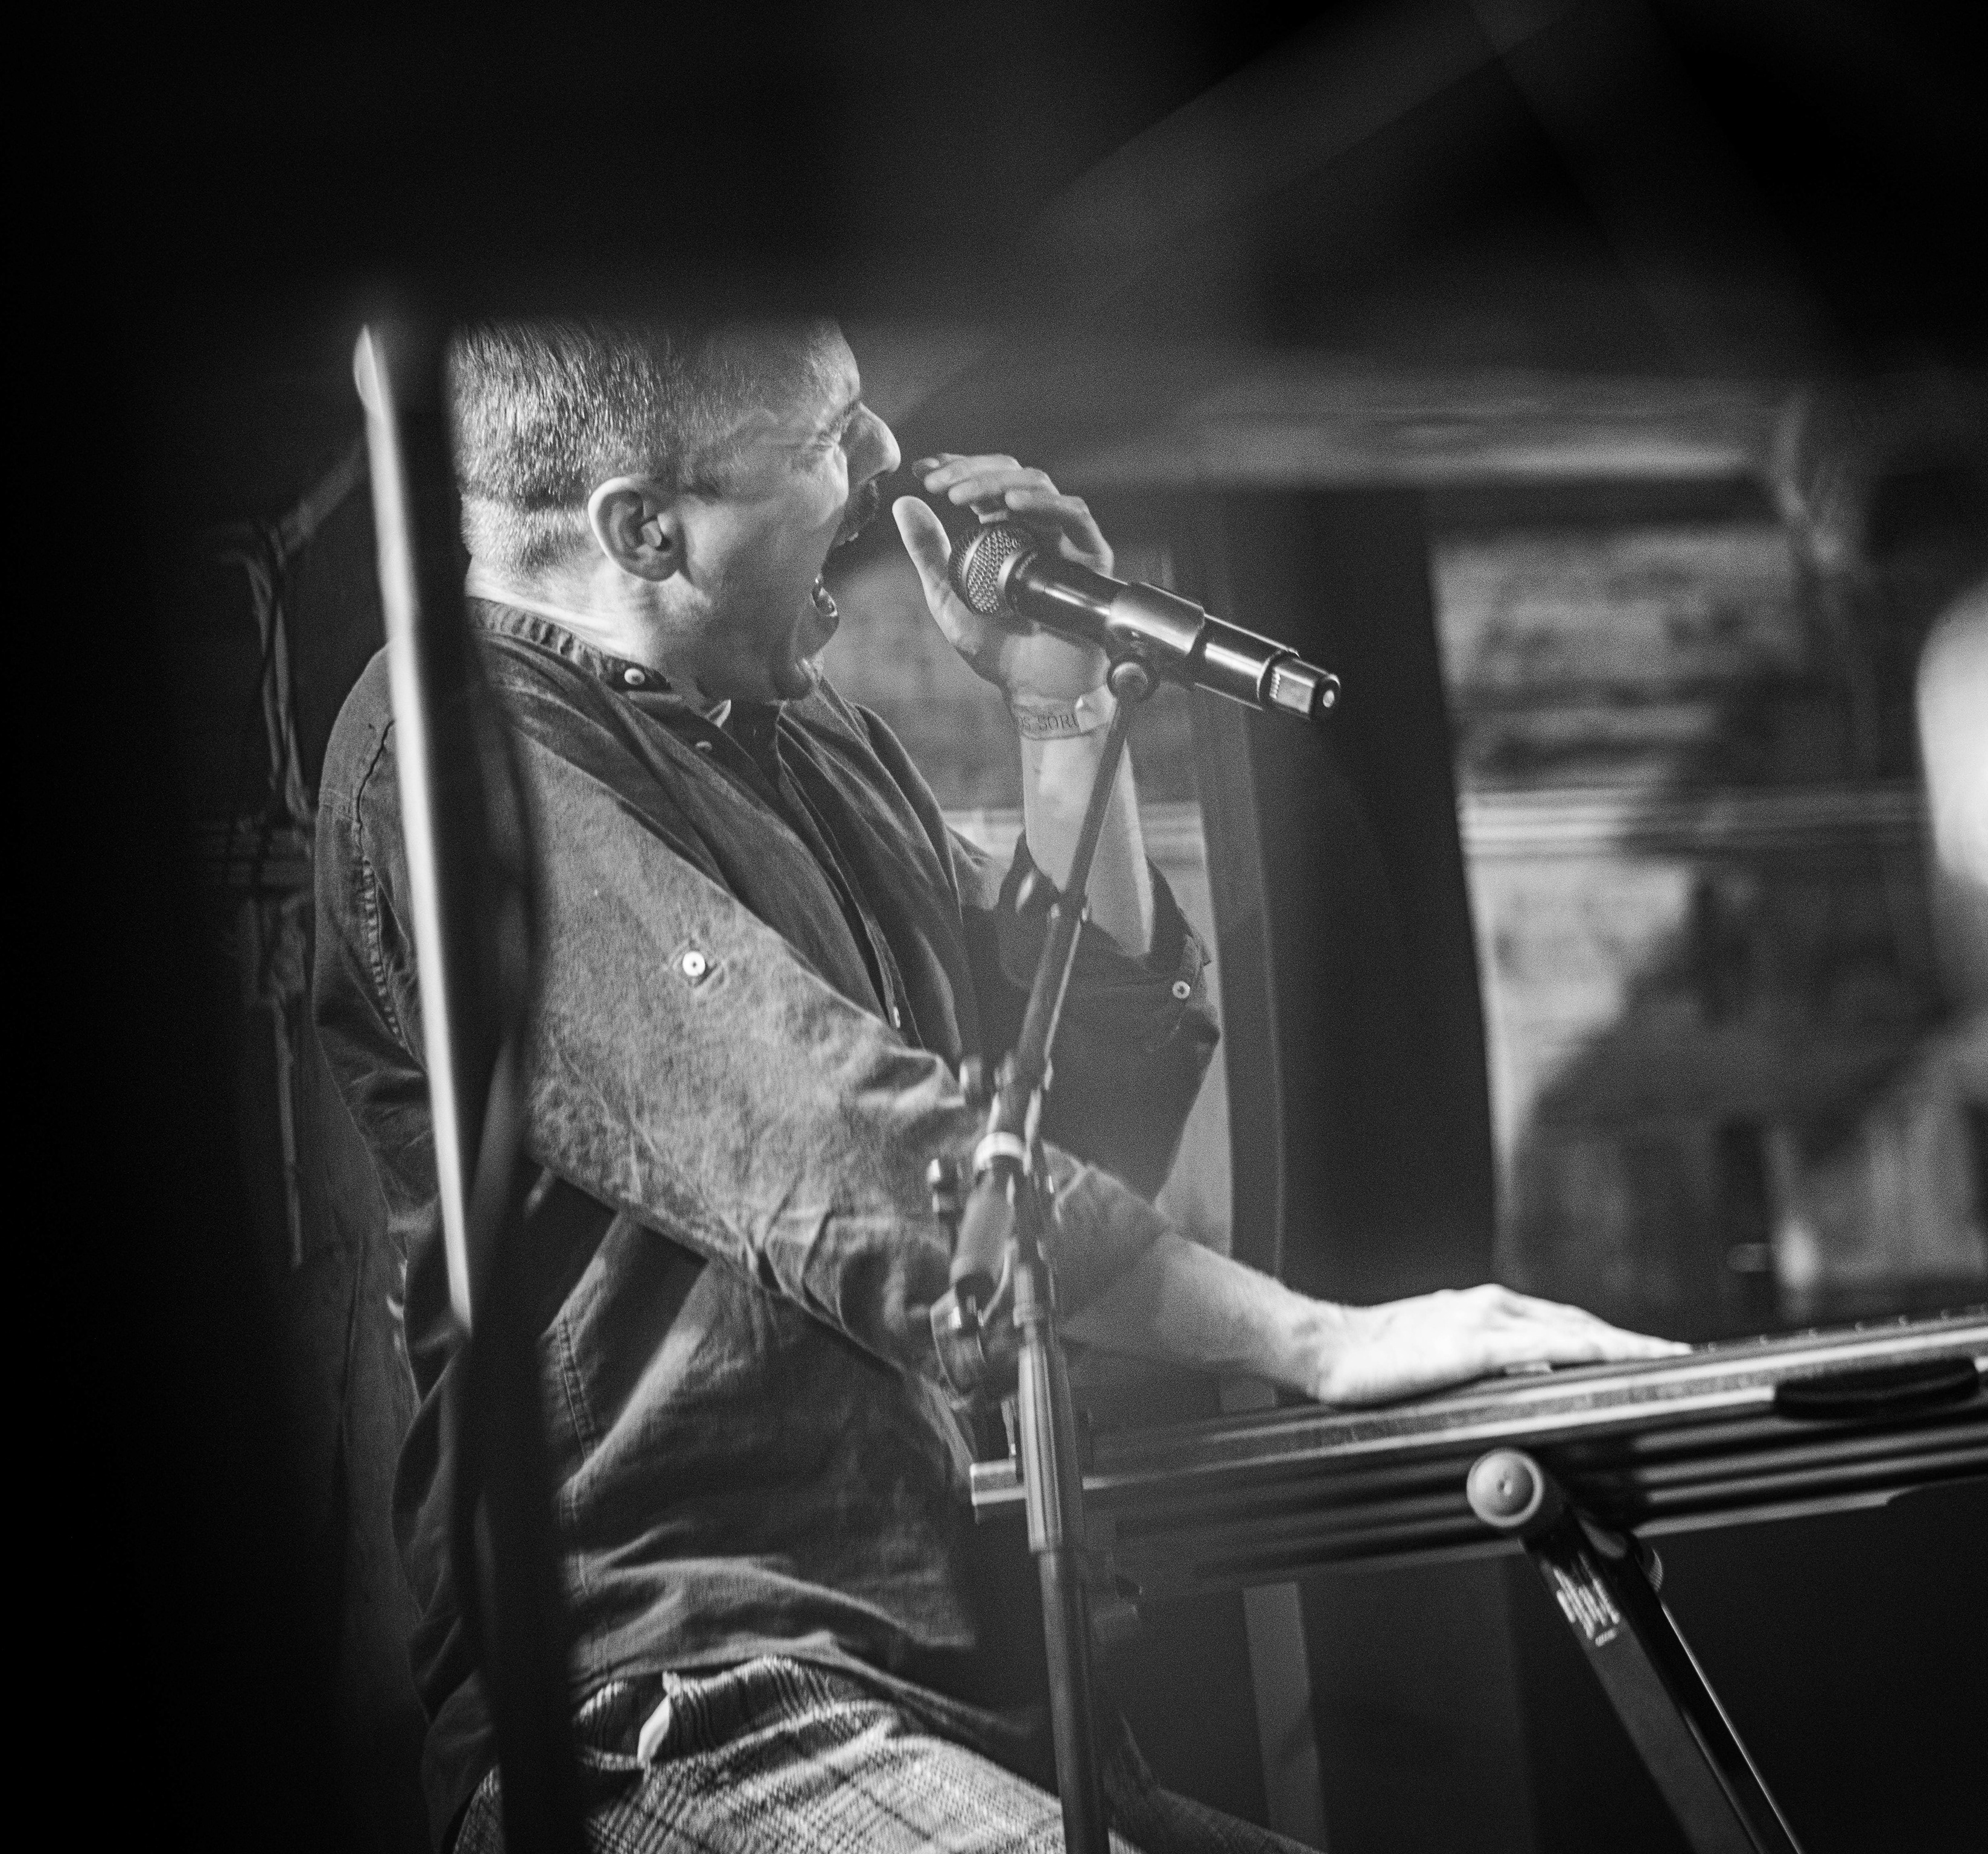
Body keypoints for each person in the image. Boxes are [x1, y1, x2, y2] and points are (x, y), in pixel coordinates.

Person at [313, 315, 1676, 1854]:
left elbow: (1072, 1118)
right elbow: (838, 1145)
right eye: (828, 437)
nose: (885, 459)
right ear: (645, 530)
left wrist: (1062, 715)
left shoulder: (811, 741)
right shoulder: (458, 760)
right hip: (686, 1715)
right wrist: (1317, 1339)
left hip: (972, 1693)